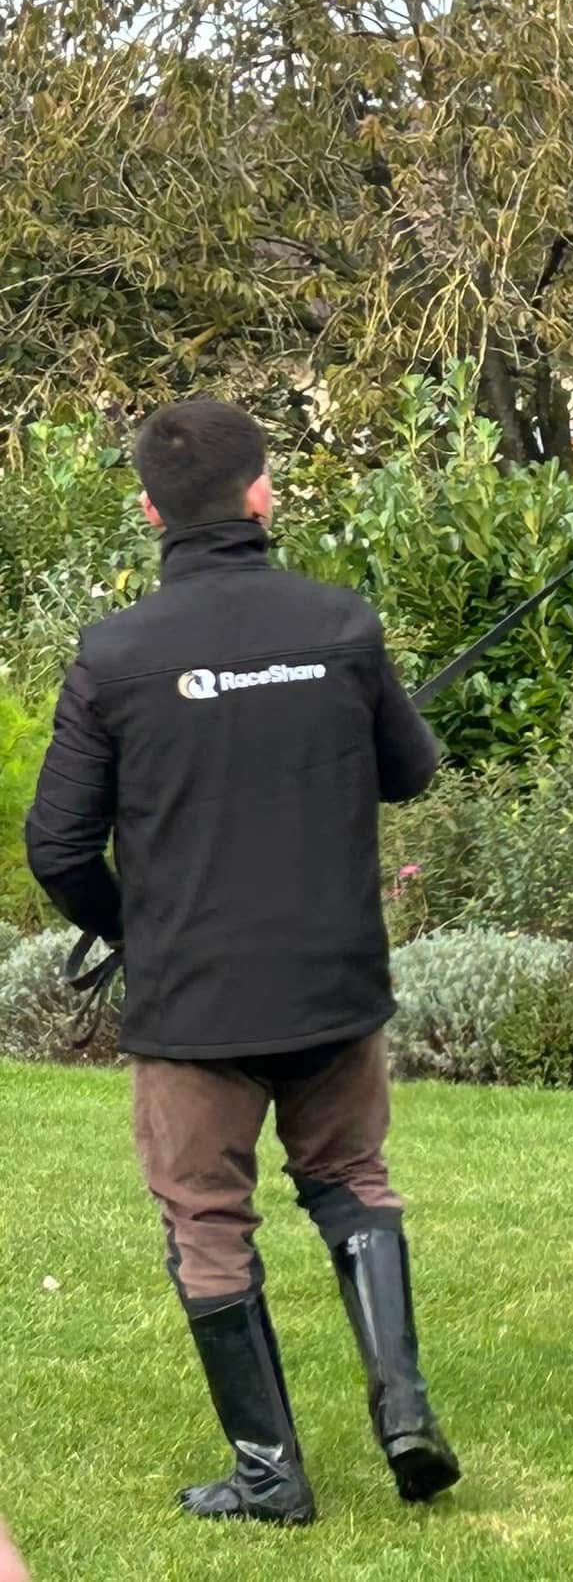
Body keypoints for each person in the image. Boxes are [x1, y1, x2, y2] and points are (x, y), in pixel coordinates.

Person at [23, 398, 461, 1525]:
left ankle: (270, 1471)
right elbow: (408, 772)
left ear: (148, 511)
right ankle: (402, 1411)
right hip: (333, 986)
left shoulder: (116, 655)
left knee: (206, 1219)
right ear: (262, 494)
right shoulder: (340, 624)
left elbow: (56, 846)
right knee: (353, 1185)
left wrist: (132, 928)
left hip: (195, 1006)